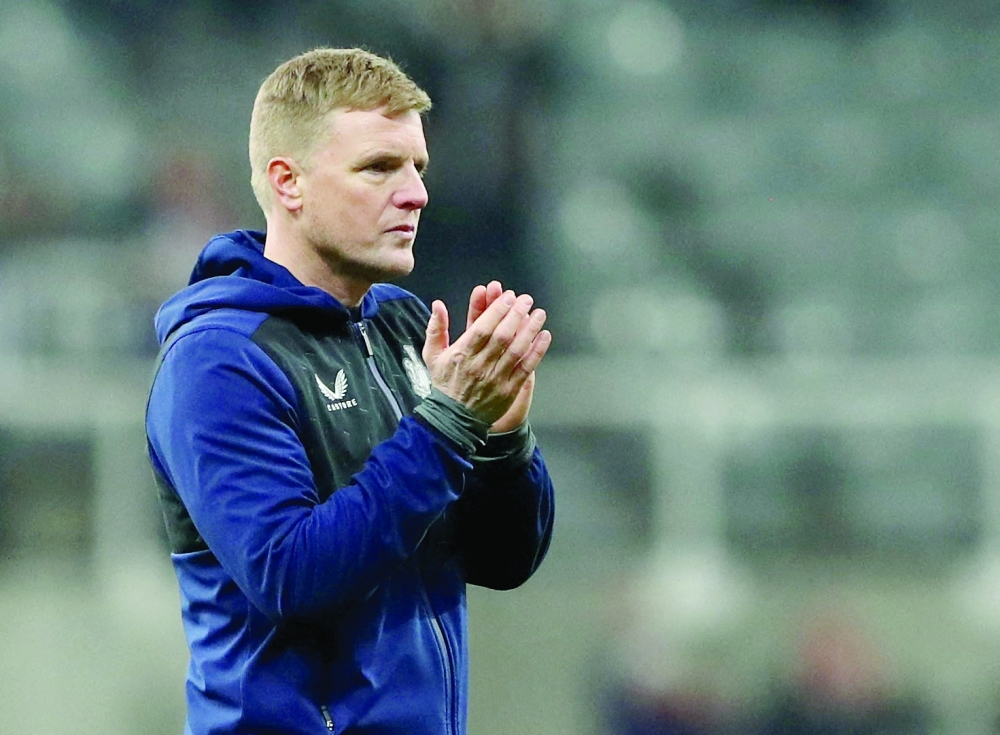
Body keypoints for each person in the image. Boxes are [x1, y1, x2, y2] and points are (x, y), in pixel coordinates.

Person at [145, 47, 555, 735]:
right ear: (289, 183)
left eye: (418, 167)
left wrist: (501, 441)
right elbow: (290, 575)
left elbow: (502, 560)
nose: (417, 193)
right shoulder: (218, 360)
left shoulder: (399, 324)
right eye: (379, 167)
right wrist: (448, 423)